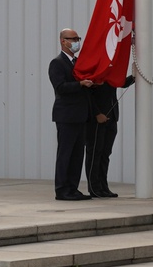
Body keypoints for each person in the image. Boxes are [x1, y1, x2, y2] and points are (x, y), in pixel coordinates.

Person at [48, 28, 94, 201]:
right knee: (65, 153)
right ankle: (62, 189)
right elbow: (60, 87)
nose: (76, 42)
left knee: (77, 155)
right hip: (66, 115)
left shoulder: (79, 63)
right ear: (63, 41)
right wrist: (80, 84)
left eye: (77, 38)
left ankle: (73, 188)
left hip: (80, 115)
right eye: (72, 39)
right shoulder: (57, 63)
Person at [85, 71, 135, 198]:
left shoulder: (111, 71)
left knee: (105, 154)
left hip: (111, 117)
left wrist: (134, 76)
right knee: (95, 152)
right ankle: (94, 188)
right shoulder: (94, 70)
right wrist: (97, 114)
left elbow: (120, 82)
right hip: (98, 119)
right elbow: (87, 95)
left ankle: (103, 186)